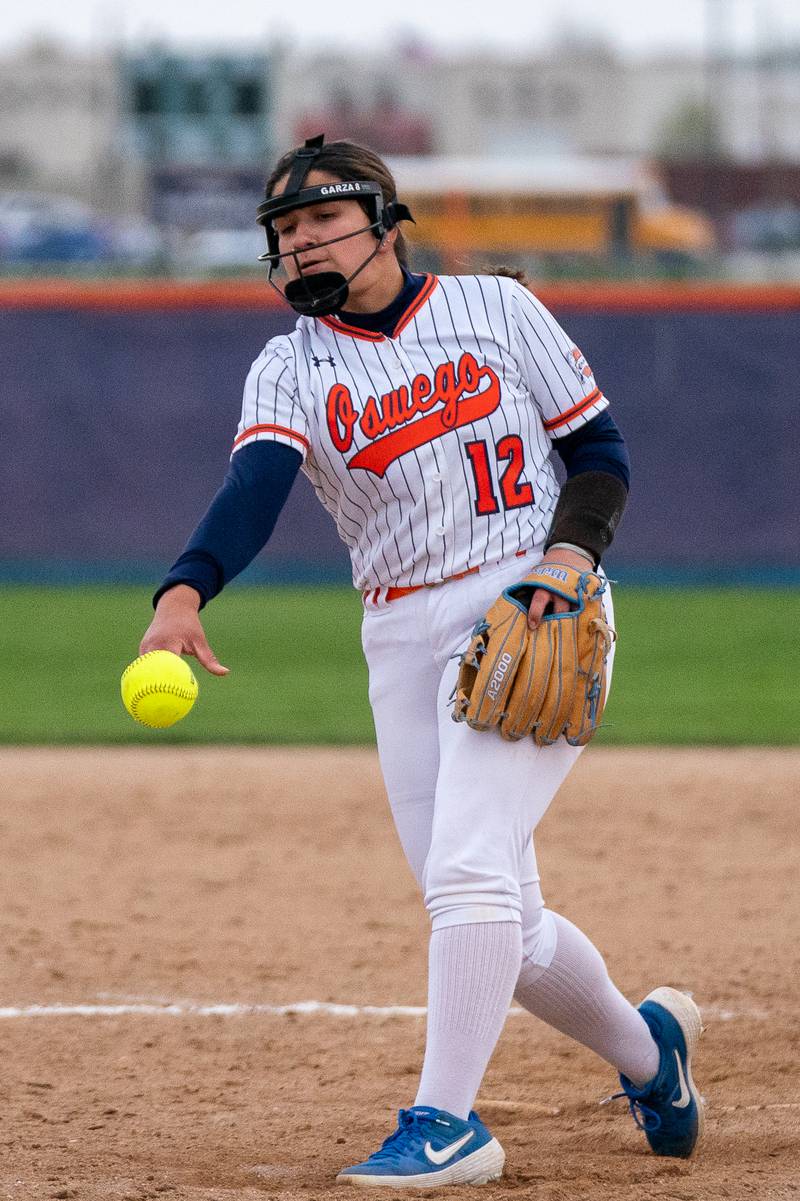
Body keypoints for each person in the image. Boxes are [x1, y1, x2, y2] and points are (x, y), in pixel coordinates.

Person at [139, 135, 703, 1188]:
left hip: (529, 600)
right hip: (397, 633)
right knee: (510, 928)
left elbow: (598, 453)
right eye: (281, 230)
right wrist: (185, 587)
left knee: (464, 873)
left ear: (383, 222)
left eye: (317, 221)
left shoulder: (495, 309)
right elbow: (255, 485)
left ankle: (447, 1122)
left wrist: (568, 559)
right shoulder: (290, 364)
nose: (297, 242)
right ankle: (651, 1056)